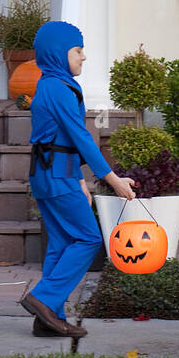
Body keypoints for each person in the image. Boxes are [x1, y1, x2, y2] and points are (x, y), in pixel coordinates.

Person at [20, 20, 136, 338]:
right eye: (78, 50)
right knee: (88, 239)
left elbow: (64, 138)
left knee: (60, 242)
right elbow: (81, 137)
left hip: (52, 174)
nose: (84, 57)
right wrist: (113, 180)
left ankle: (48, 318)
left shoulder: (50, 83)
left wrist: (81, 181)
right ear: (59, 53)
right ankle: (43, 299)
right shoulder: (59, 88)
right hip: (57, 175)